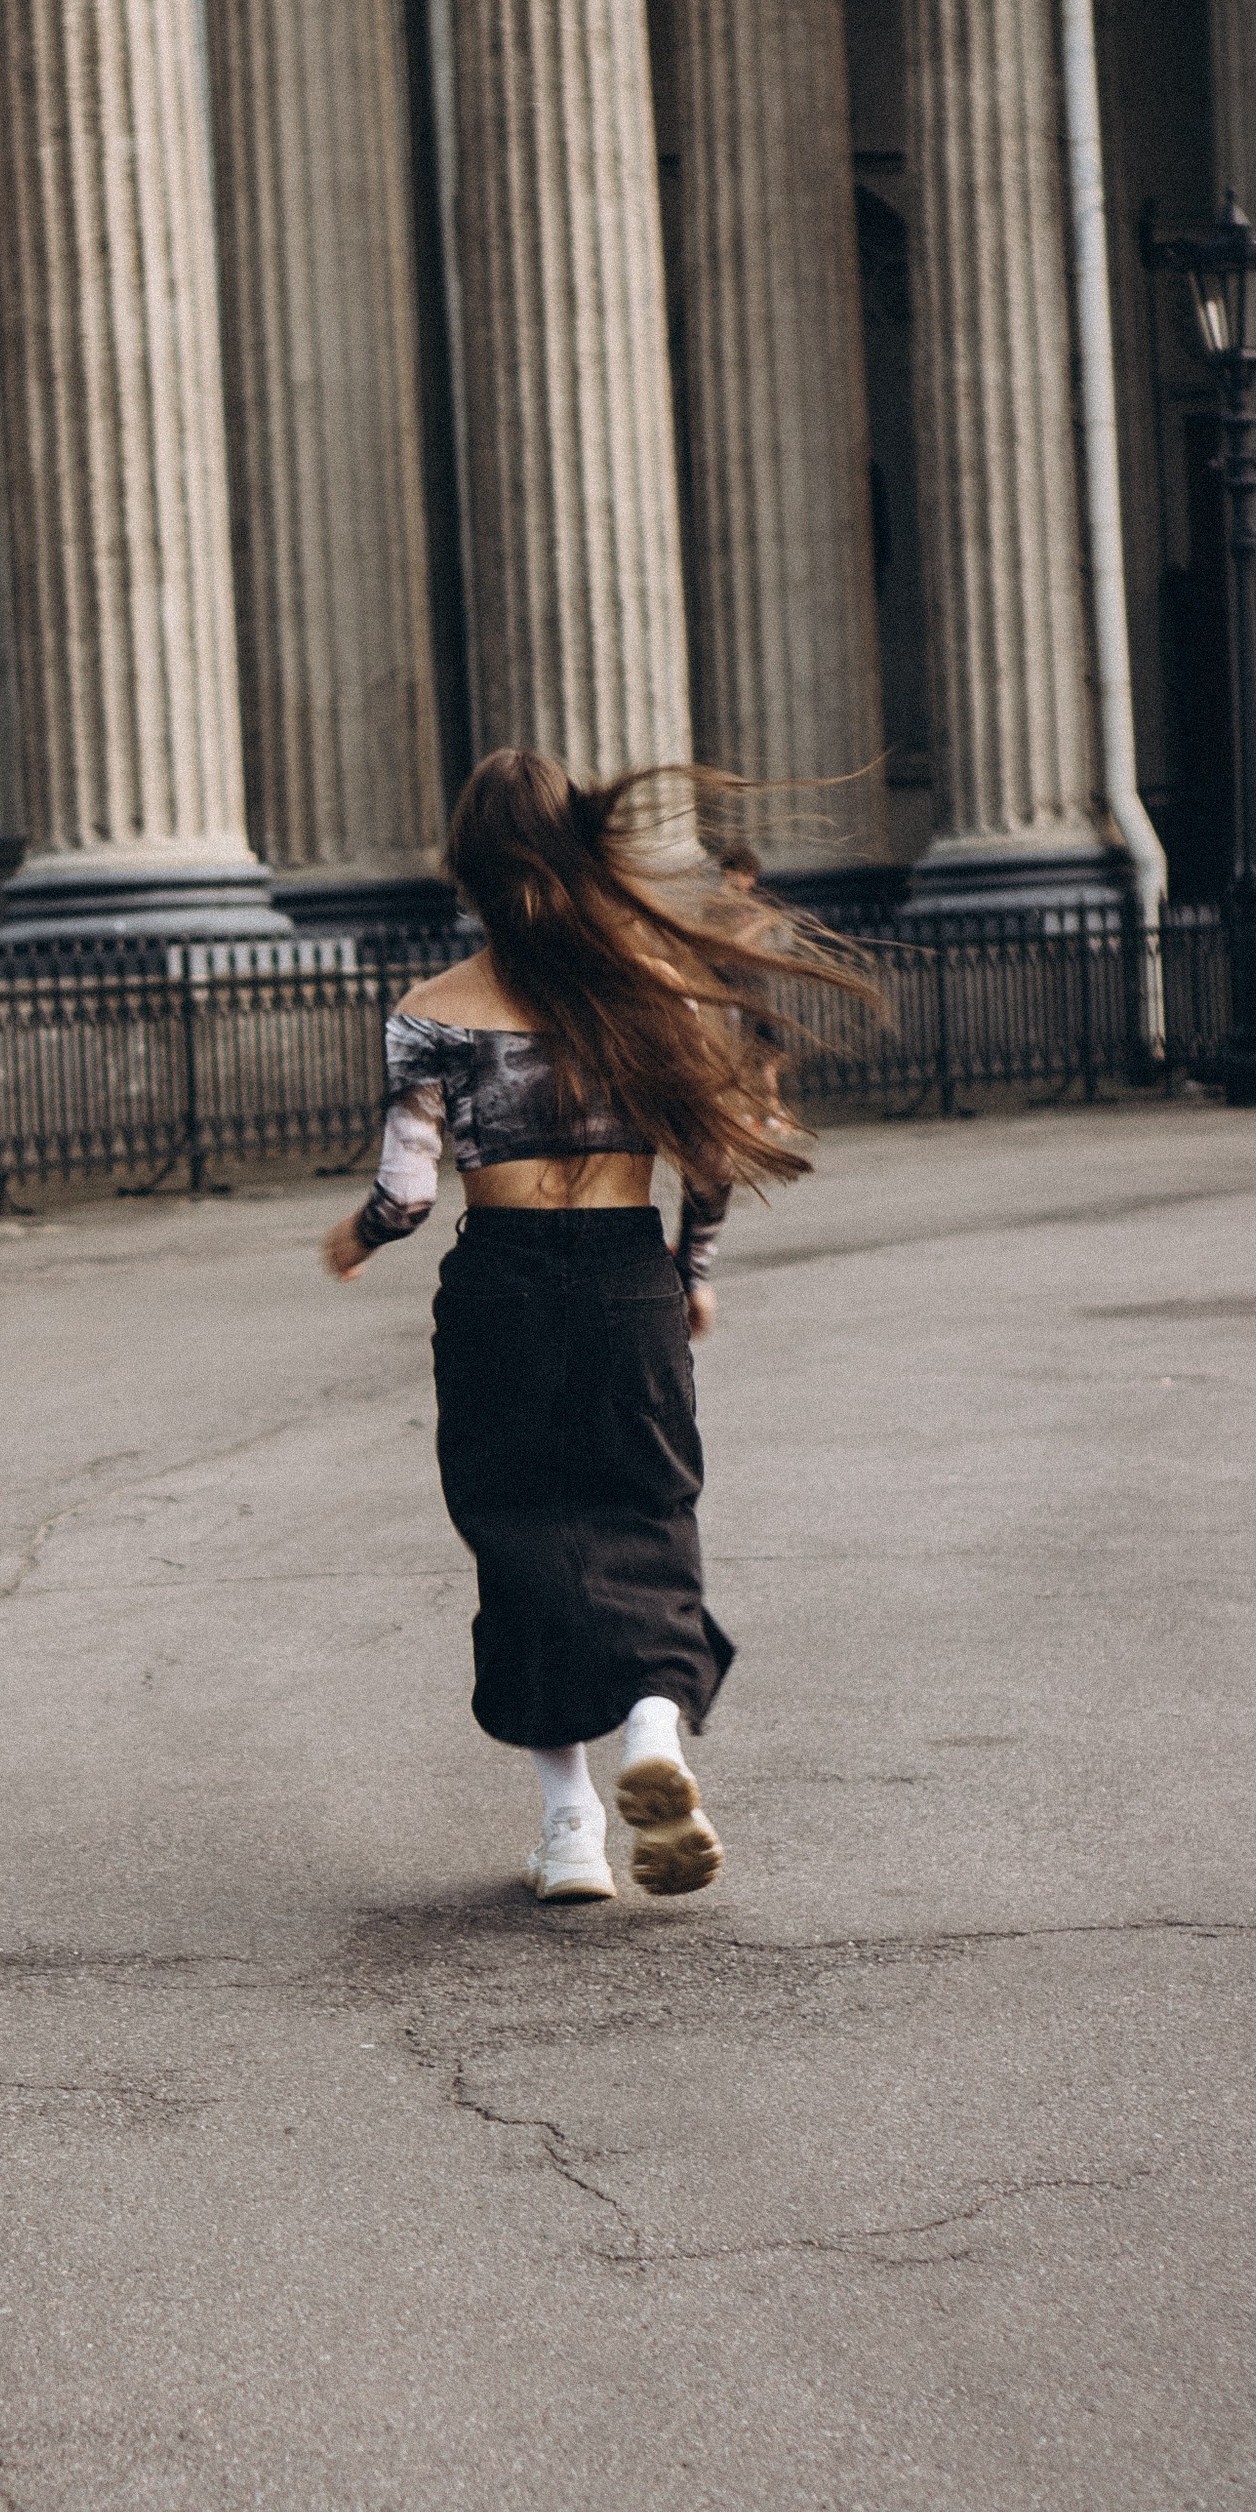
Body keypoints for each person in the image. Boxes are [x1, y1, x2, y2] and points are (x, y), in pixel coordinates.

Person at [323, 750, 871, 1906]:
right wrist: (696, 1272)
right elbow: (710, 1159)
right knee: (644, 1504)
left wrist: (358, 1238)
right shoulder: (649, 988)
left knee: (517, 1523)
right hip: (630, 1274)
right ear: (581, 849)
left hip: (502, 1283)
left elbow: (409, 1195)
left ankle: (569, 1826)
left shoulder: (430, 1015)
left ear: (463, 867)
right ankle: (654, 1729)